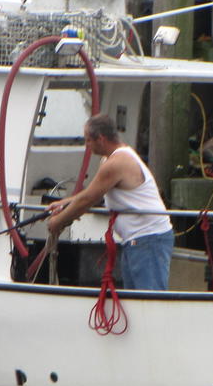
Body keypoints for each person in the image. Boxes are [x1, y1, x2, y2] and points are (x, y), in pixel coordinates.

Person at [46, 113, 174, 290]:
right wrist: (65, 203)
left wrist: (57, 222)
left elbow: (88, 200)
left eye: (88, 140)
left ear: (100, 139)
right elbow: (93, 193)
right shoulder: (109, 159)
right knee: (134, 299)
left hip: (148, 239)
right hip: (136, 239)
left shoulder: (117, 162)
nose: (86, 146)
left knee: (149, 299)